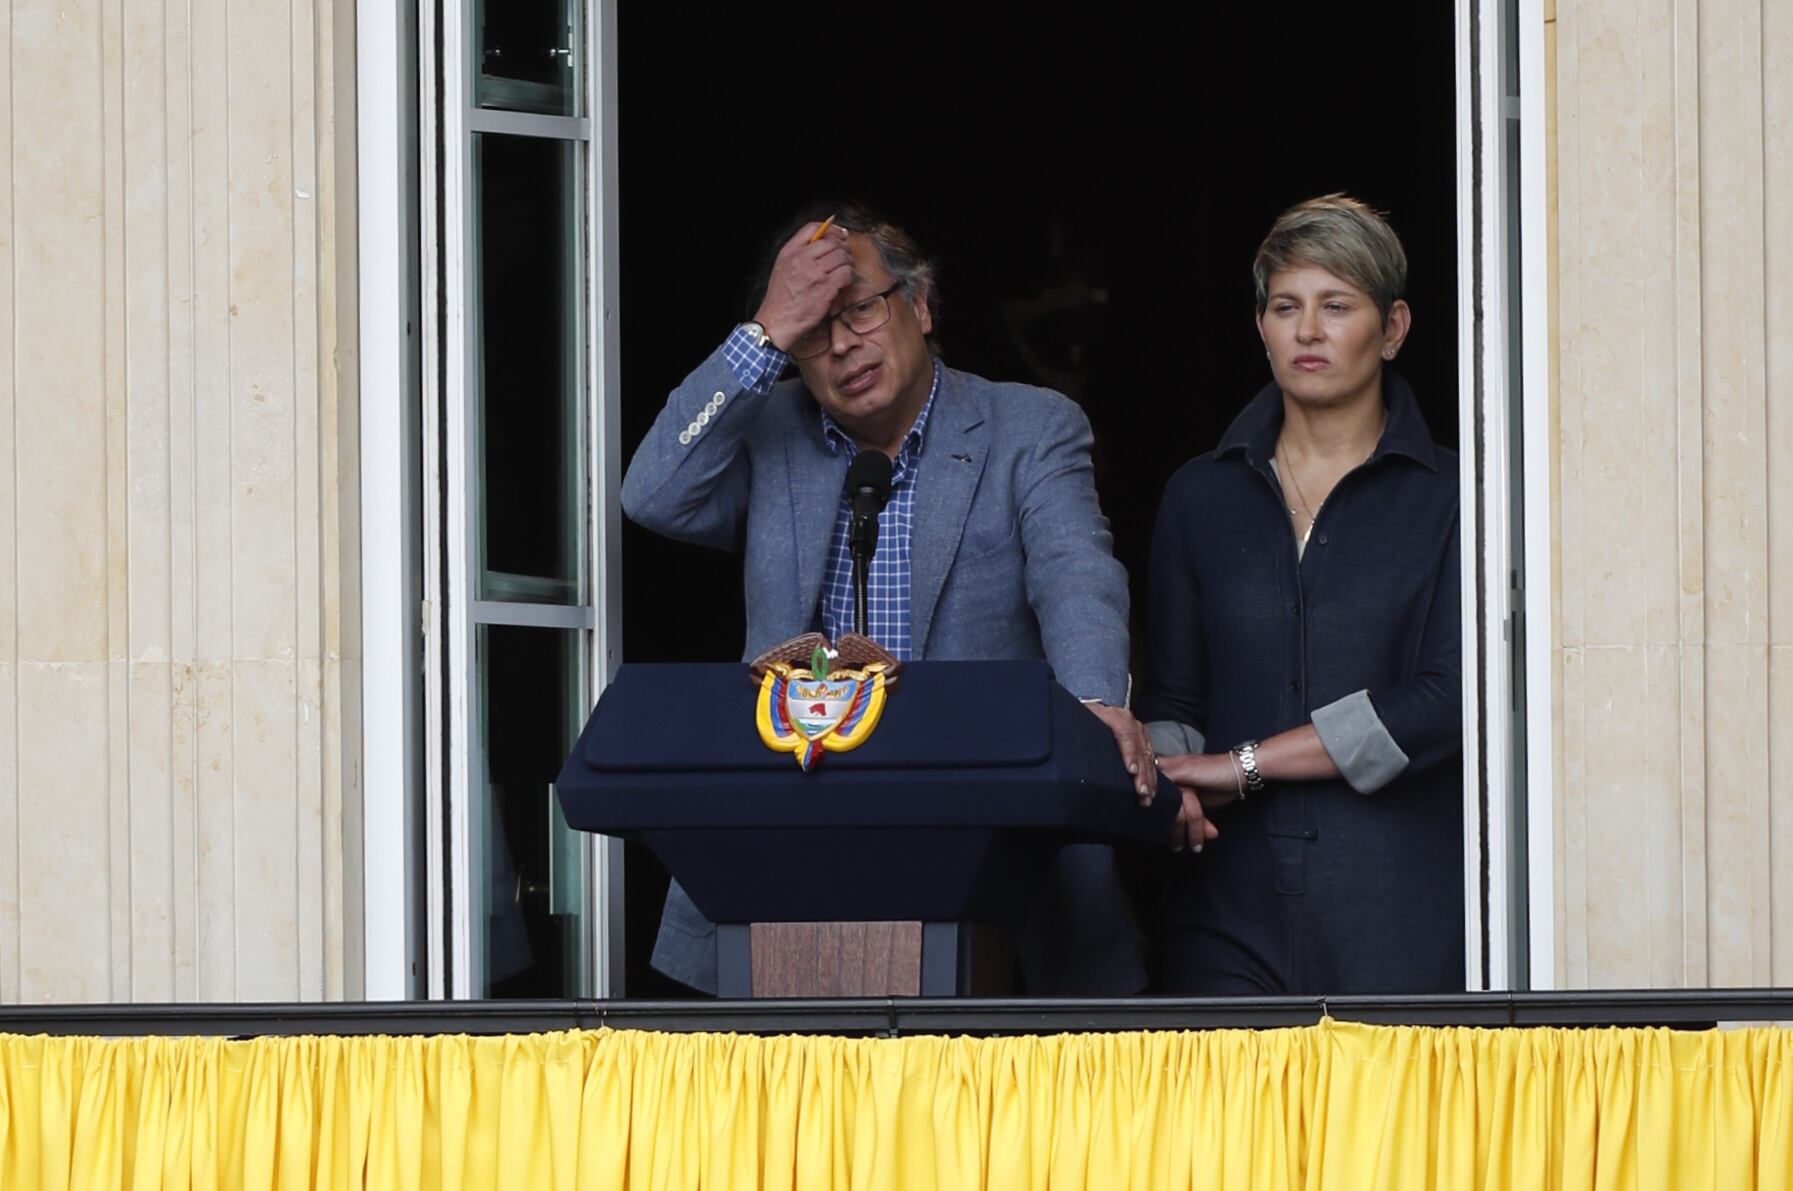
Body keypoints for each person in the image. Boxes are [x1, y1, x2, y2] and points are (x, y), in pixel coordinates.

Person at [622, 201, 1170, 994]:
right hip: (797, 838)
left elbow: (1075, 574)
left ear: (919, 303)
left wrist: (1096, 703)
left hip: (986, 834)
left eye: (859, 311)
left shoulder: (1027, 427)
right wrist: (761, 335)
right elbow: (652, 494)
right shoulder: (773, 435)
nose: (842, 345)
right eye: (812, 331)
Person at [1137, 194, 1463, 995]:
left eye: (1335, 306)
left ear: (1391, 329)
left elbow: (1445, 702)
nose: (1307, 330)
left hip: (1395, 904)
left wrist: (1244, 764)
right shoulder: (1197, 496)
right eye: (1285, 306)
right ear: (1260, 326)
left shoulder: (1457, 496)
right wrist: (1172, 779)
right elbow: (1175, 697)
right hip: (1223, 907)